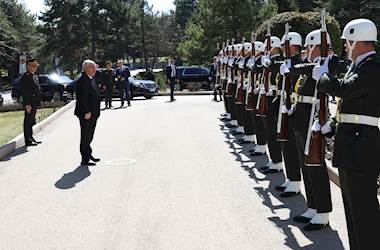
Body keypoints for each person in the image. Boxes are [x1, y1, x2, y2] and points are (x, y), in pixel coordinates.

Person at [316, 18, 379, 249]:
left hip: (362, 147)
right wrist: (333, 122)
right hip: (350, 144)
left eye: (347, 42)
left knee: (365, 211)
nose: (344, 47)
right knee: (352, 209)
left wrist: (323, 77)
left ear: (356, 41)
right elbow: (346, 103)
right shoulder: (359, 65)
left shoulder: (373, 65)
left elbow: (345, 89)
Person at [74, 60, 101, 166]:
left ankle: (88, 154)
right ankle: (84, 159)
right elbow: (82, 98)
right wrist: (87, 111)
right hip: (86, 113)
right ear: (85, 68)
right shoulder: (83, 80)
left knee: (89, 135)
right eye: (92, 67)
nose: (95, 69)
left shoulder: (91, 78)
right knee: (86, 135)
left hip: (93, 112)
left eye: (95, 67)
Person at [20, 58, 42, 147]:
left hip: (34, 102)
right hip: (30, 103)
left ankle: (31, 137)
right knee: (28, 121)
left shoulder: (33, 75)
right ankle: (28, 140)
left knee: (31, 120)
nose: (35, 68)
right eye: (33, 66)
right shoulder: (25, 77)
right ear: (28, 66)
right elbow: (25, 92)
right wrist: (27, 104)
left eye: (36, 66)